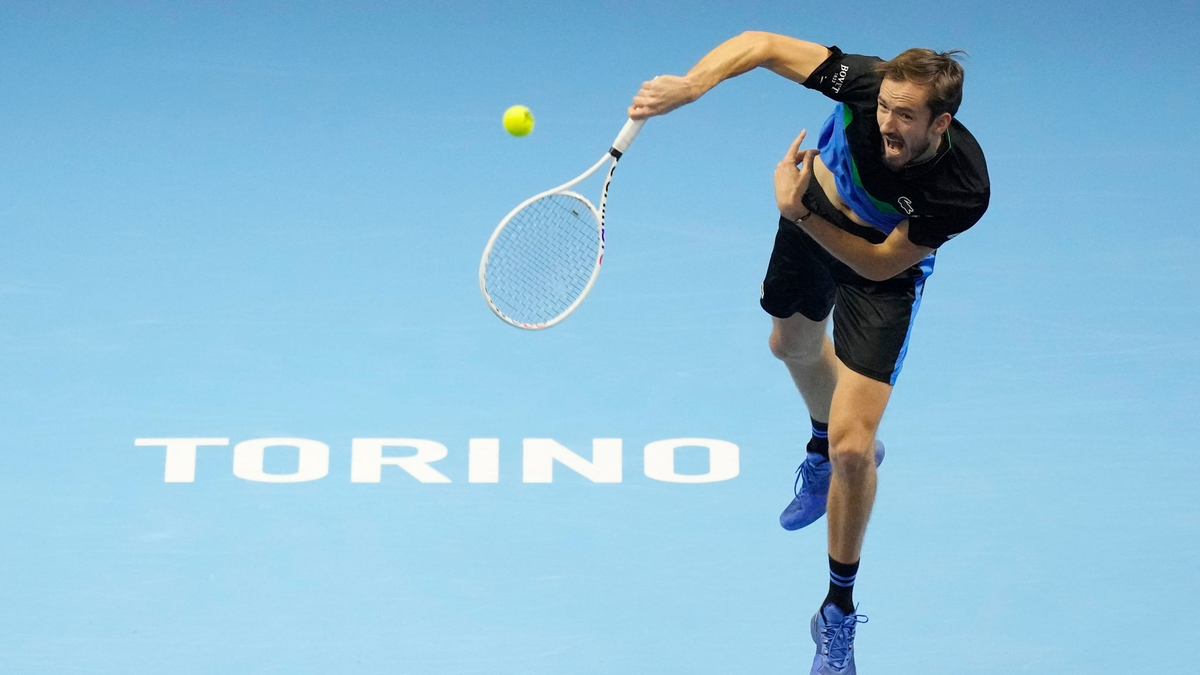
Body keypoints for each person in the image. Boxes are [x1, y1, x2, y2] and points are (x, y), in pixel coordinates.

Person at [628, 32, 989, 674]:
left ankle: (837, 614)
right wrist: (691, 85)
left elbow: (879, 267)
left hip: (876, 267)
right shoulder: (866, 82)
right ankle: (821, 443)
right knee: (789, 345)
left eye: (905, 116)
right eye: (885, 108)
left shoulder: (961, 187)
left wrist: (796, 214)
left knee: (858, 449)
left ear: (942, 122)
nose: (887, 122)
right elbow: (761, 44)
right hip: (811, 210)